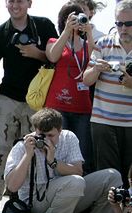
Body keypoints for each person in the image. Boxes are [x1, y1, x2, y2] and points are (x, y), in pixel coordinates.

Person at [0, 0, 58, 213]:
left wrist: (37, 53)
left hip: (37, 101)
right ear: (6, 3)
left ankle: (23, 202)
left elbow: (57, 57)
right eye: (11, 0)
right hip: (7, 98)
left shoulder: (44, 26)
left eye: (20, 0)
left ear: (29, 3)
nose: (16, 5)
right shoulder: (1, 32)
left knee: (33, 151)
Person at [4, 108, 122, 213]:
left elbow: (78, 171)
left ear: (60, 130)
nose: (46, 140)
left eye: (51, 135)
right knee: (75, 183)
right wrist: (28, 155)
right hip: (35, 202)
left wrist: (53, 161)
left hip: (67, 197)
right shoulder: (22, 146)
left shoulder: (68, 138)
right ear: (34, 129)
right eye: (42, 135)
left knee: (112, 177)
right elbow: (12, 186)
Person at [83, 0, 132, 188]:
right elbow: (86, 80)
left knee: (129, 178)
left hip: (130, 123)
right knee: (109, 178)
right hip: (103, 121)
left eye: (128, 24)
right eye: (119, 23)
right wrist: (96, 70)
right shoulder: (103, 44)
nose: (123, 28)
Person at [45, 2, 95, 174]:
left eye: (78, 18)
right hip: (58, 107)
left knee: (83, 155)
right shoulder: (54, 41)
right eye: (70, 19)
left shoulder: (88, 43)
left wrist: (88, 31)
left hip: (82, 108)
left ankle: (85, 192)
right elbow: (52, 56)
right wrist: (67, 31)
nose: (75, 22)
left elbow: (95, 60)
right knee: (58, 152)